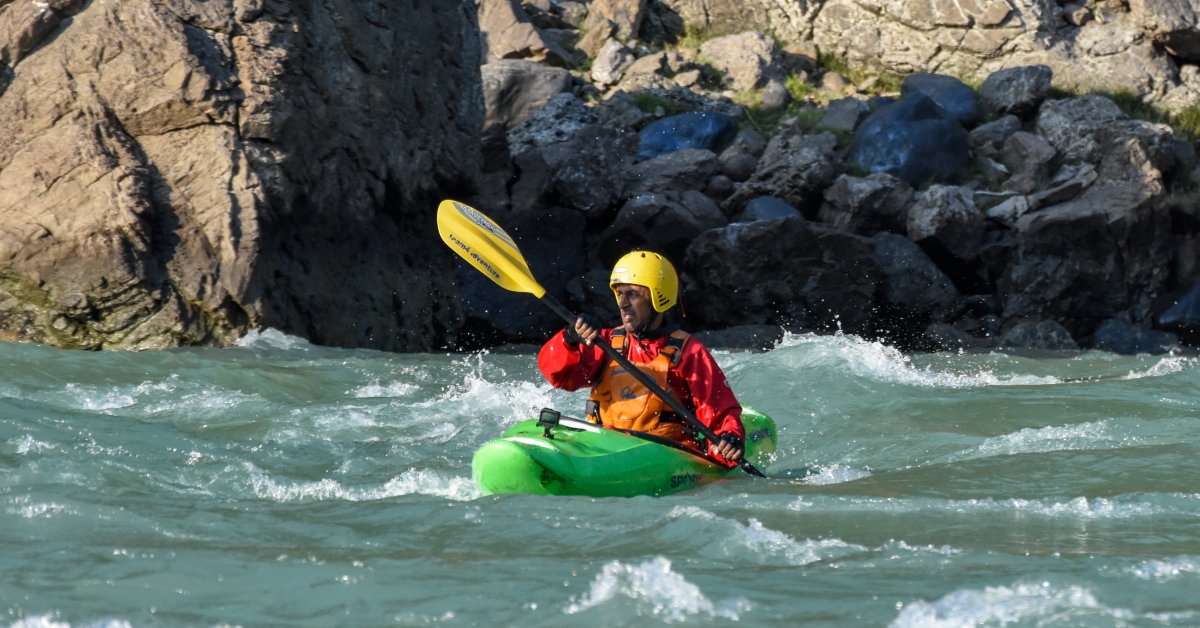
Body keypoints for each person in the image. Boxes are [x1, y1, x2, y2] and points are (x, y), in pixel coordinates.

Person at [537, 250, 746, 466]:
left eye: (633, 294)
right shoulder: (605, 342)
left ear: (658, 298)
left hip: (662, 456)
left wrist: (730, 438)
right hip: (604, 447)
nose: (622, 303)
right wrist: (569, 338)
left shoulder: (689, 352)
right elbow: (561, 378)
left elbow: (720, 413)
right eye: (620, 293)